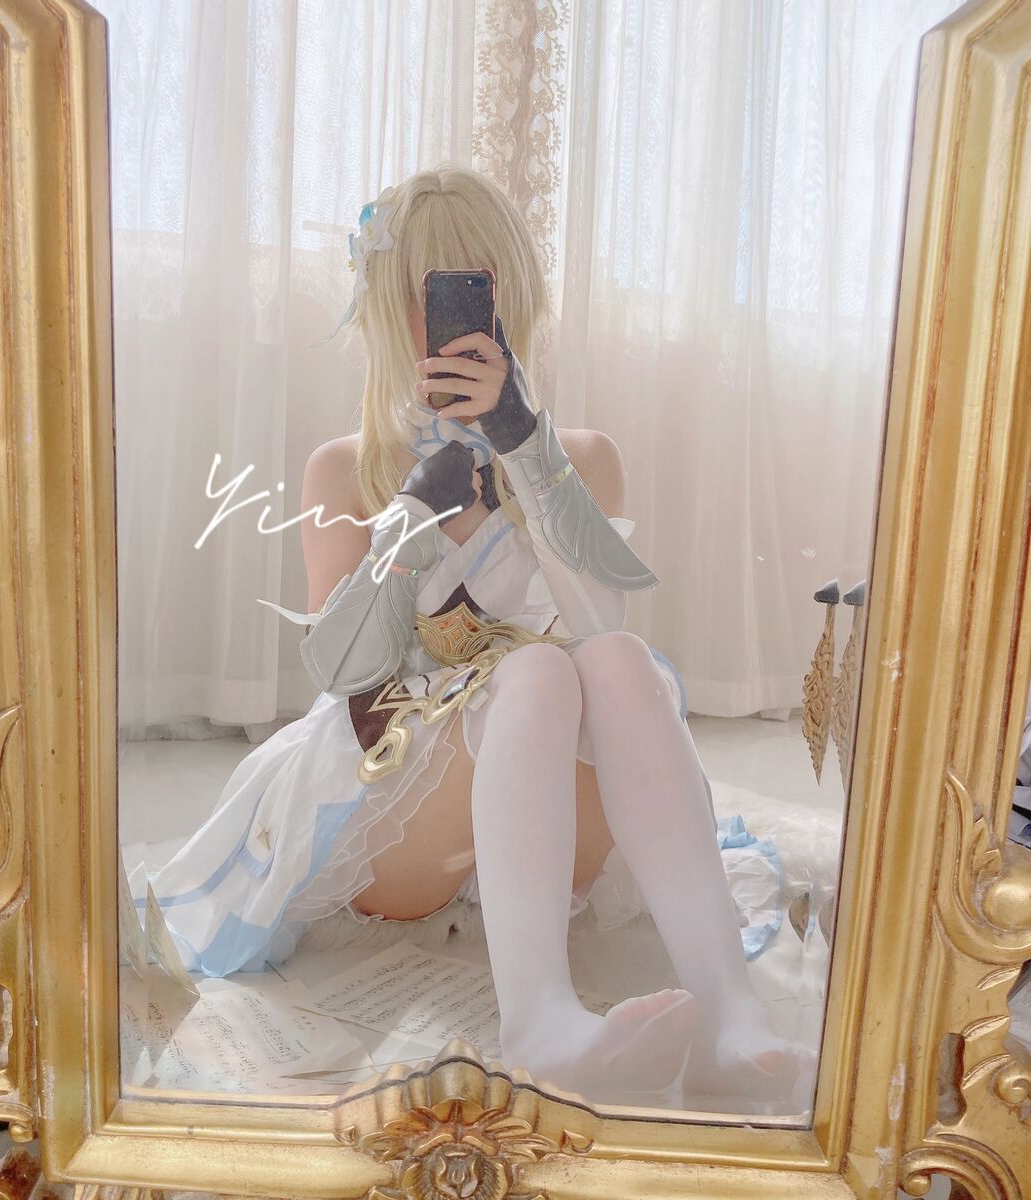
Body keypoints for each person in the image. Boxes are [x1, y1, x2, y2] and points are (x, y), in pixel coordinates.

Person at [142, 165, 807, 1107]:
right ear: (388, 311)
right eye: (429, 295)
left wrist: (524, 446)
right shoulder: (344, 470)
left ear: (511, 298)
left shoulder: (579, 458)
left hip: (553, 805)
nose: (451, 326)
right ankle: (539, 1019)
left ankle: (730, 1015)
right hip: (400, 798)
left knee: (615, 662)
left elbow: (599, 621)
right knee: (535, 677)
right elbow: (343, 672)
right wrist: (409, 528)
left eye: (474, 289)